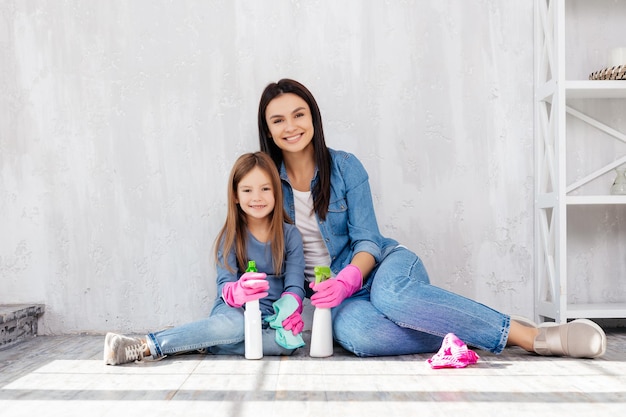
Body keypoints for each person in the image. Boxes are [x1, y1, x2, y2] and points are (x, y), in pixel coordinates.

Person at [257, 78, 607, 359]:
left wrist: (348, 278)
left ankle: (529, 336)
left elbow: (368, 241)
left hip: (381, 270)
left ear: (313, 118)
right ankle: (473, 329)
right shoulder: (264, 185)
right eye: (278, 120)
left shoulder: (346, 167)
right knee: (360, 336)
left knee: (393, 298)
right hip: (335, 301)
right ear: (268, 131)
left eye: (298, 114)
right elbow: (264, 252)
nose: (291, 126)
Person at [103, 152, 306, 365]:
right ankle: (147, 345)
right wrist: (237, 292)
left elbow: (294, 286)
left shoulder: (290, 236)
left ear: (277, 192)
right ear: (236, 196)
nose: (257, 197)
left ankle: (204, 340)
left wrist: (288, 311)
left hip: (272, 317)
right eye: (247, 190)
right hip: (234, 312)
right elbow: (225, 287)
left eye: (265, 189)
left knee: (287, 344)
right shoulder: (230, 236)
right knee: (233, 328)